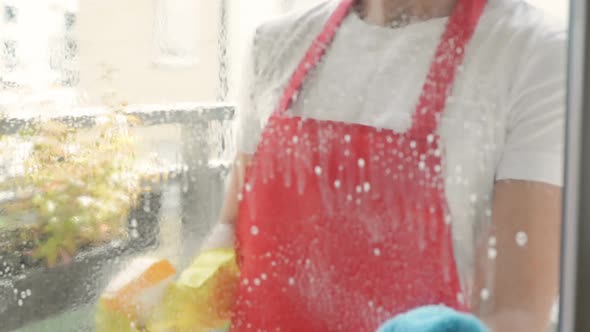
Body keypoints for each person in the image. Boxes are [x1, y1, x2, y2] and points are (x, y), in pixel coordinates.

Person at [201, 0, 566, 331]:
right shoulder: (276, 43)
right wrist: (178, 298)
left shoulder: (536, 54)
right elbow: (232, 230)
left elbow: (514, 312)